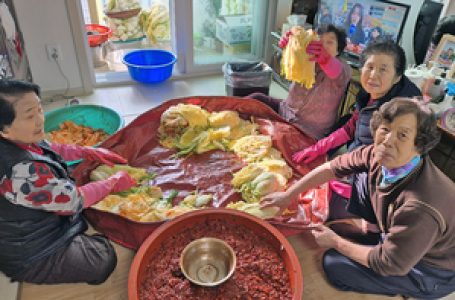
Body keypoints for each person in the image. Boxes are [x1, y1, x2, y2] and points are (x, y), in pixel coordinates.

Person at [262, 98, 455, 298]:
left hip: (430, 269)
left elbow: (389, 264)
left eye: (402, 135)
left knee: (334, 265)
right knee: (362, 176)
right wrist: (288, 195)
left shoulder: (420, 206)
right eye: (385, 129)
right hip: (400, 238)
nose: (388, 141)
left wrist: (336, 242)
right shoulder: (378, 154)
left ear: (419, 145)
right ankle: (374, 235)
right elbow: (333, 168)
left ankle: (408, 286)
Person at [0, 79, 137, 284]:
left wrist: (90, 152)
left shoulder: (24, 138)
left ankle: (77, 237)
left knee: (78, 183)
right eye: (30, 115)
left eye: (39, 109)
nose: (39, 120)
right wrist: (114, 182)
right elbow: (74, 200)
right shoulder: (20, 172)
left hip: (45, 223)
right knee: (103, 261)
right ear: (4, 130)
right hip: (32, 253)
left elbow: (52, 149)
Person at [292, 41, 422, 219]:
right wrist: (318, 148)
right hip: (354, 166)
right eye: (369, 67)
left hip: (373, 187)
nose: (373, 75)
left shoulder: (402, 114)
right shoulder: (368, 95)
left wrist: (344, 178)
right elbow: (350, 128)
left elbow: (387, 167)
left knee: (315, 209)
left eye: (383, 69)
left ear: (398, 77)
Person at [247, 24, 352, 140]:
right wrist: (290, 44)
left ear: (338, 50)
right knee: (255, 98)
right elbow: (292, 55)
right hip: (285, 111)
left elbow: (336, 71)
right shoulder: (305, 59)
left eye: (329, 42)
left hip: (309, 130)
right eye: (319, 40)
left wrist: (325, 58)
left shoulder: (344, 69)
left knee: (275, 137)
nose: (322, 45)